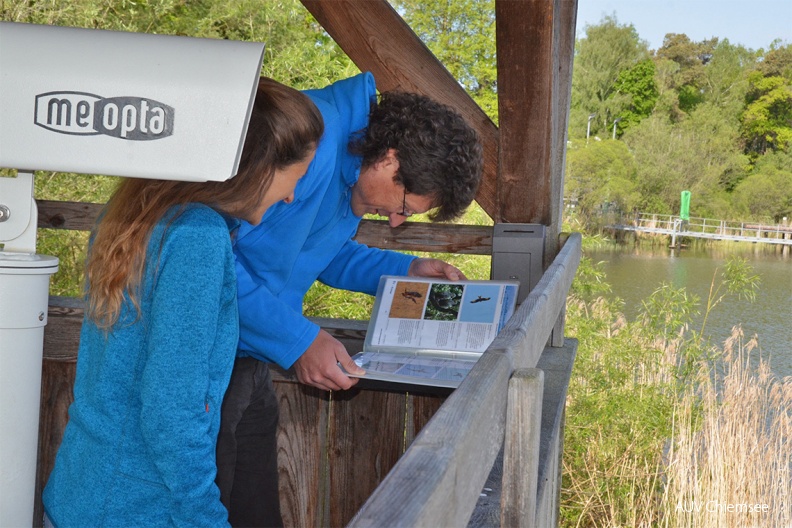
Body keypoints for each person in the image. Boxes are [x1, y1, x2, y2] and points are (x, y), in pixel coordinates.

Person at [42, 78, 324, 528]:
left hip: (81, 490)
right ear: (258, 166)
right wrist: (207, 520)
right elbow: (171, 412)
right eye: (298, 176)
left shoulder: (134, 215)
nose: (292, 195)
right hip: (136, 510)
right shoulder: (197, 236)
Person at [218, 71, 483, 527]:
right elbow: (205, 260)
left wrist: (405, 270)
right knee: (199, 508)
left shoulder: (350, 168)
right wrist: (299, 341)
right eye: (404, 206)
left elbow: (317, 250)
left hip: (246, 352)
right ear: (390, 159)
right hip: (199, 352)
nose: (397, 222)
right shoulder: (307, 144)